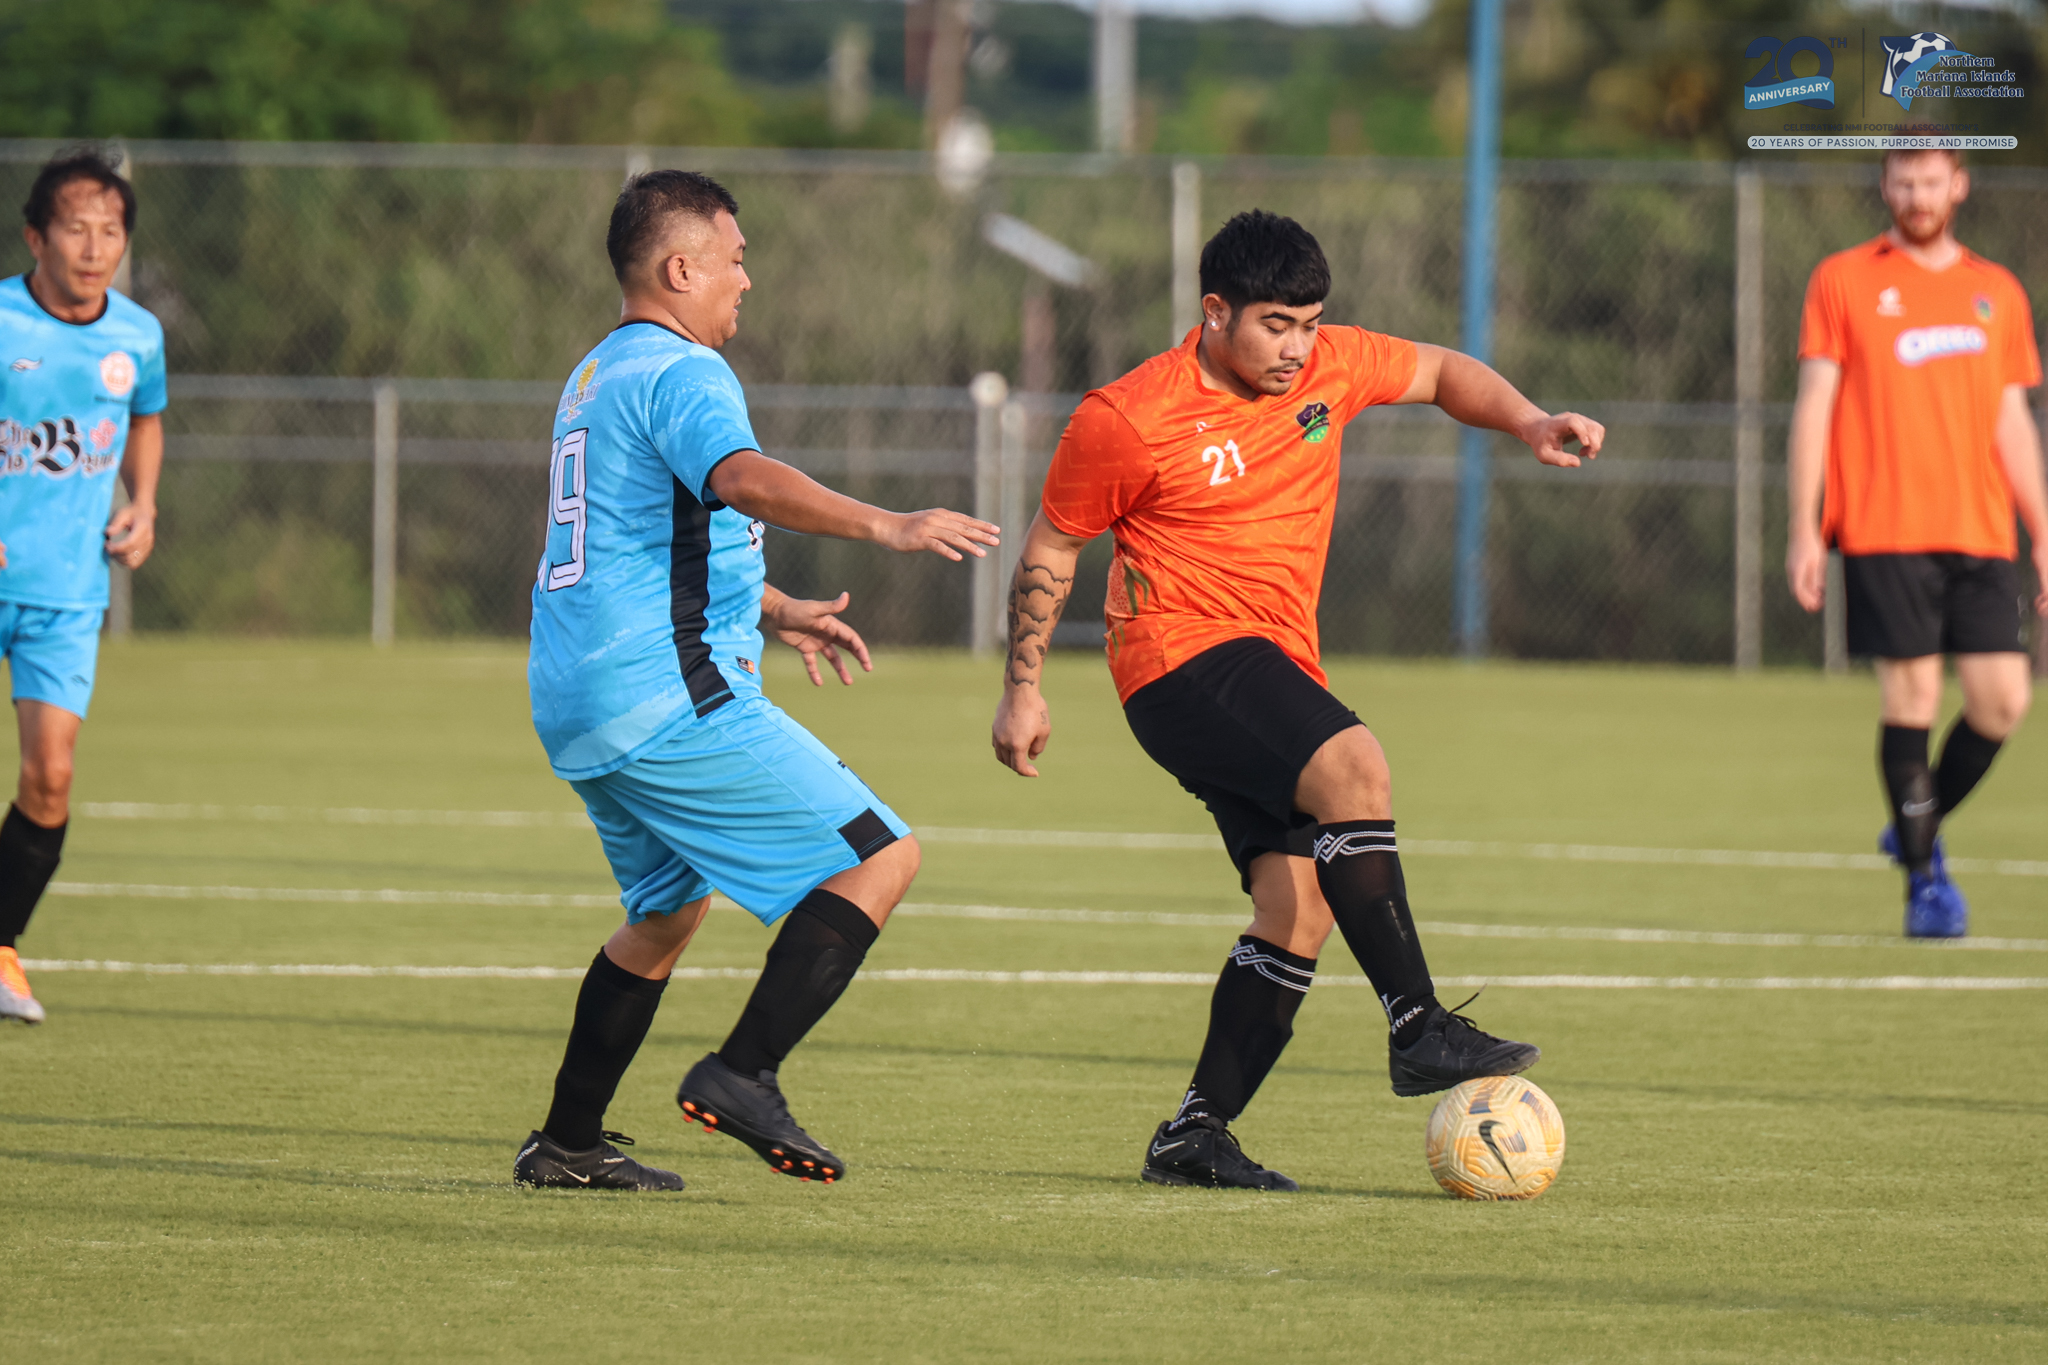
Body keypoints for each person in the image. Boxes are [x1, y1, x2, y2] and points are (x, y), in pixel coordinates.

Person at [989, 209, 1604, 1190]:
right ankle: (1417, 1024)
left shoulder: (1328, 367)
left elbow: (1442, 371)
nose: (1296, 348)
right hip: (1175, 657)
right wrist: (1022, 689)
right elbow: (1053, 545)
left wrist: (1528, 419)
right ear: (1214, 311)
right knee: (1355, 766)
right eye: (1274, 324)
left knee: (1297, 906)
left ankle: (1194, 1135)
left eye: (1309, 325)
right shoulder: (1128, 416)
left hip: (1272, 663)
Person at [514, 170, 998, 1191]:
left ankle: (565, 1144)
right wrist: (888, 524)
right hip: (663, 693)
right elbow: (738, 478)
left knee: (664, 914)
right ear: (679, 269)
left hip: (580, 695)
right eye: (734, 260)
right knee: (880, 857)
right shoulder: (685, 369)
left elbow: (639, 535)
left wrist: (772, 609)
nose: (746, 280)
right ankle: (743, 1074)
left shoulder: (598, 372)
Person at [1786, 149, 2047, 939]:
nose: (1917, 194)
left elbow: (2012, 421)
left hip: (1980, 530)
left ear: (1958, 185)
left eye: (1931, 180)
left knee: (2004, 700)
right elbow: (1815, 407)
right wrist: (1804, 525)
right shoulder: (1843, 280)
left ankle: (1912, 825)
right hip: (1883, 527)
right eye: (1903, 180)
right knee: (1913, 701)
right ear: (1885, 186)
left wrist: (2042, 532)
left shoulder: (1997, 291)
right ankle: (1926, 882)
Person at [0, 149, 164, 1025]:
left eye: (111, 230)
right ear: (36, 237)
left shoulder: (137, 335)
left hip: (66, 593)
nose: (95, 247)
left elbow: (145, 417)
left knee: (51, 778)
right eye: (76, 228)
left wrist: (143, 502)